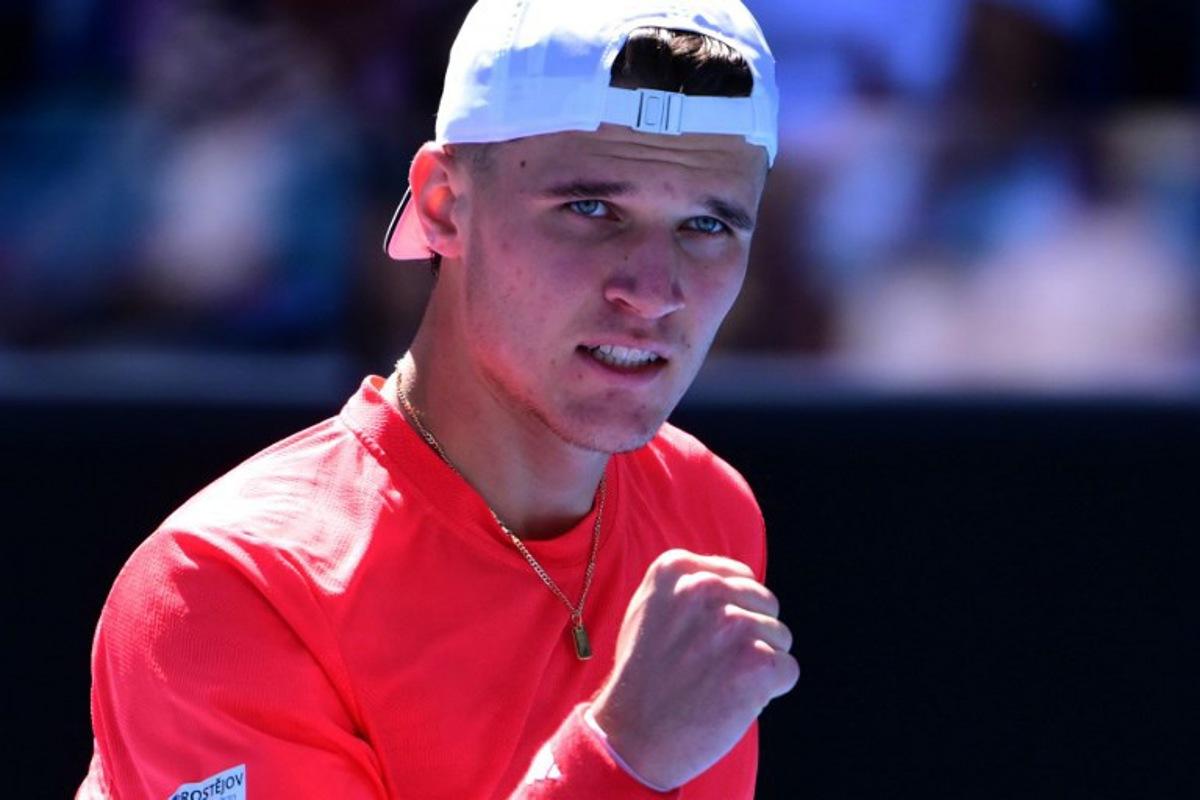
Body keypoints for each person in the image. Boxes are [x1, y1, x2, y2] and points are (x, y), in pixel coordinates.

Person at [77, 1, 799, 797]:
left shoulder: (707, 509)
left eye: (707, 226)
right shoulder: (224, 588)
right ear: (443, 205)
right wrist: (624, 756)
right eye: (590, 209)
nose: (653, 292)